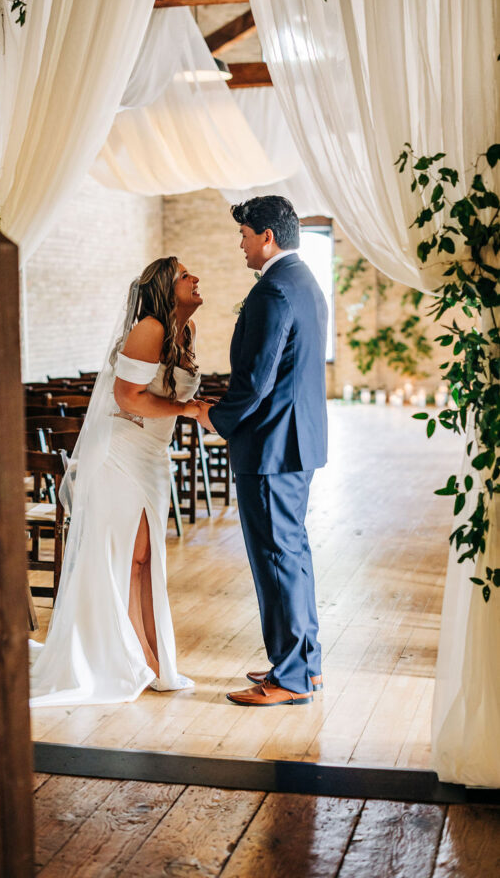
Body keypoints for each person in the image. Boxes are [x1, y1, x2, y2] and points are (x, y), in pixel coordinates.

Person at [29, 256, 204, 705]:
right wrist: (187, 410)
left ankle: (150, 655)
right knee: (130, 556)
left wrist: (196, 410)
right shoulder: (150, 328)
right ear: (165, 288)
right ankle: (136, 656)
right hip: (122, 452)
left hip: (152, 454)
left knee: (145, 557)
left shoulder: (184, 332)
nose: (195, 278)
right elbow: (127, 397)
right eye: (185, 275)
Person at [197, 195, 328, 707]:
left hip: (272, 446)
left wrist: (216, 417)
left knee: (276, 558)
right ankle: (304, 665)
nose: (242, 245)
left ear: (267, 237)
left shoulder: (273, 290)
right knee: (292, 555)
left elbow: (256, 380)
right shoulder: (304, 281)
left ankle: (290, 678)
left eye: (245, 236)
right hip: (296, 440)